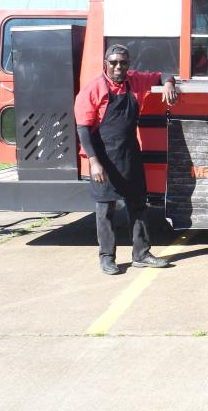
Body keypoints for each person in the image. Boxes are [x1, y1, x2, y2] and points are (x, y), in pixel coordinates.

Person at [74, 44, 179, 275]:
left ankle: (141, 254)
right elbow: (83, 129)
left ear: (128, 64)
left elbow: (163, 74)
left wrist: (169, 83)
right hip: (103, 159)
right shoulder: (93, 90)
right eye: (113, 63)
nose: (118, 67)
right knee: (105, 210)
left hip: (130, 155)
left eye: (123, 62)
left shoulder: (135, 81)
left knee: (138, 206)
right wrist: (94, 162)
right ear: (105, 64)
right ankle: (107, 258)